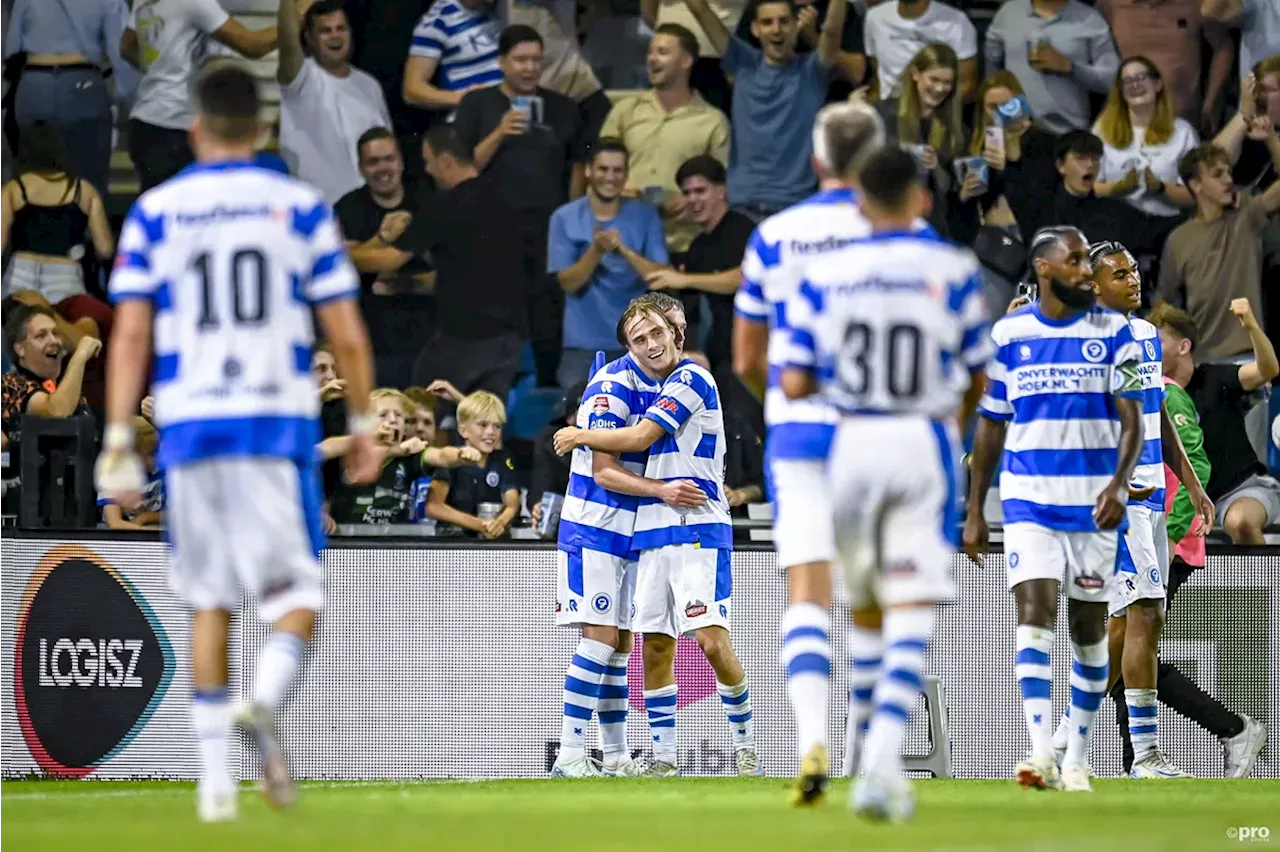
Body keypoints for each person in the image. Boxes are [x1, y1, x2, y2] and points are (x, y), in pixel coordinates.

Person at [94, 64, 378, 822]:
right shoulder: (299, 208)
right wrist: (358, 422)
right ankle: (264, 701)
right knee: (299, 599)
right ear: (262, 130)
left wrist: (120, 435)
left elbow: (129, 332)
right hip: (275, 424)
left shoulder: (156, 211)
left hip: (188, 426)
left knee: (208, 602)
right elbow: (345, 333)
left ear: (193, 129)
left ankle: (215, 787)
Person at [779, 144, 988, 820]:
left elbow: (793, 379)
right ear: (923, 199)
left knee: (864, 606)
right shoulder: (954, 268)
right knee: (909, 609)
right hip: (921, 439)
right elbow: (980, 377)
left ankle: (867, 760)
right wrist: (948, 426)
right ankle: (878, 764)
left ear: (859, 203)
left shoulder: (826, 273)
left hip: (850, 443)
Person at [731, 100, 887, 802]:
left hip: (798, 430)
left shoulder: (774, 235)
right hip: (878, 428)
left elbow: (746, 355)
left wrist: (786, 396)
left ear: (815, 159)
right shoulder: (898, 231)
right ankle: (867, 756)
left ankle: (809, 743)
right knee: (871, 595)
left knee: (807, 587)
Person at [963, 225, 1147, 793]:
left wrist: (1117, 486)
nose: (1084, 272)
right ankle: (1042, 752)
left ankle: (1077, 755)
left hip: (1093, 504)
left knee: (1089, 631)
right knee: (1034, 613)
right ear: (1043, 269)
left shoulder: (1114, 331)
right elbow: (991, 425)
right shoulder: (1011, 333)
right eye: (1073, 262)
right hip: (1029, 498)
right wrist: (975, 509)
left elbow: (1132, 419)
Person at [553, 303, 760, 777]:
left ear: (678, 332)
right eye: (641, 336)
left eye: (663, 330)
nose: (655, 342)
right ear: (629, 345)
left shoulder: (689, 379)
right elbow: (604, 470)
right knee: (634, 643)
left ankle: (746, 747)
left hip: (690, 524)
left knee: (698, 640)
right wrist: (657, 488)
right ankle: (613, 756)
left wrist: (577, 434)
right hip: (611, 526)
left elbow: (643, 437)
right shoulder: (611, 386)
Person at [1048, 241, 1213, 779]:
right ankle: (1142, 756)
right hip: (1120, 500)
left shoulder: (1142, 334)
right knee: (1144, 613)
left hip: (1152, 493)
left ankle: (1063, 744)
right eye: (1118, 274)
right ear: (1094, 286)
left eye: (1134, 271)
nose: (1132, 279)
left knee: (1131, 620)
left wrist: (1189, 481)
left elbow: (1154, 413)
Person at [1151, 303, 1280, 545]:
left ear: (1183, 346)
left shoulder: (1214, 379)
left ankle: (1267, 584)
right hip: (1186, 502)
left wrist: (1251, 325)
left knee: (1240, 522)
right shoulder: (1155, 395)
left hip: (1240, 490)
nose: (1149, 350)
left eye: (1157, 342)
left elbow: (1268, 369)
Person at [548, 138, 669, 388]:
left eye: (617, 171)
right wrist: (596, 251)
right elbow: (568, 283)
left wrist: (624, 250)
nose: (610, 177)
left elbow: (660, 278)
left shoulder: (645, 216)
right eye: (603, 169)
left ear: (626, 175)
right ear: (589, 171)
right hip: (582, 347)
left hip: (638, 343)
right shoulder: (564, 217)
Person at [121, 0, 278, 191]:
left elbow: (127, 46)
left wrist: (160, 72)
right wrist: (297, 22)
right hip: (174, 126)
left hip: (145, 121)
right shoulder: (195, 2)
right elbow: (253, 46)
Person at [646, 155, 754, 376]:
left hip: (750, 348)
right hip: (717, 352)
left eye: (700, 191)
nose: (693, 199)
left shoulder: (742, 229)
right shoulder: (698, 246)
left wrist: (685, 279)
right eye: (687, 193)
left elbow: (744, 279)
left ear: (721, 191)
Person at [276, 0, 392, 204]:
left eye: (341, 28)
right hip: (316, 207)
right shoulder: (300, 78)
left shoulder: (369, 85)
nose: (335, 35)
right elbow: (287, 42)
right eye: (325, 30)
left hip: (366, 210)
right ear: (309, 37)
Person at [1092, 57, 1200, 218]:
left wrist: (1161, 188)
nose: (1135, 85)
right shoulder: (1102, 129)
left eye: (1142, 77)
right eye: (1127, 81)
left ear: (1158, 84)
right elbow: (1087, 185)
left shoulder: (1183, 132)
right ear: (1120, 91)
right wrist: (1117, 188)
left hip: (1165, 222)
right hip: (1115, 221)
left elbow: (1195, 194)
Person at [426, 390, 521, 538]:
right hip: (451, 543)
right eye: (483, 425)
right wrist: (480, 525)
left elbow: (512, 503)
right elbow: (433, 507)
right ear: (463, 431)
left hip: (491, 541)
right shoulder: (451, 459)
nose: (491, 432)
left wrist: (500, 523)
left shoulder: (502, 460)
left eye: (497, 426)